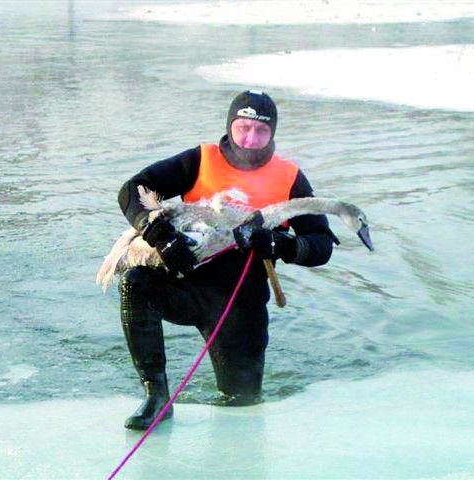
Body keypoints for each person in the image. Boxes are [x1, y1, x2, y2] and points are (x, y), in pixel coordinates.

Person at [117, 90, 338, 430]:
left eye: (261, 131)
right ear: (230, 126)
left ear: (273, 133)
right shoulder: (200, 160)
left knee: (241, 405)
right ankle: (156, 395)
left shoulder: (289, 177)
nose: (250, 139)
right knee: (135, 282)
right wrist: (160, 236)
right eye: (243, 127)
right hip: (186, 287)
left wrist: (280, 245)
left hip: (240, 306)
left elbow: (321, 245)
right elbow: (133, 189)